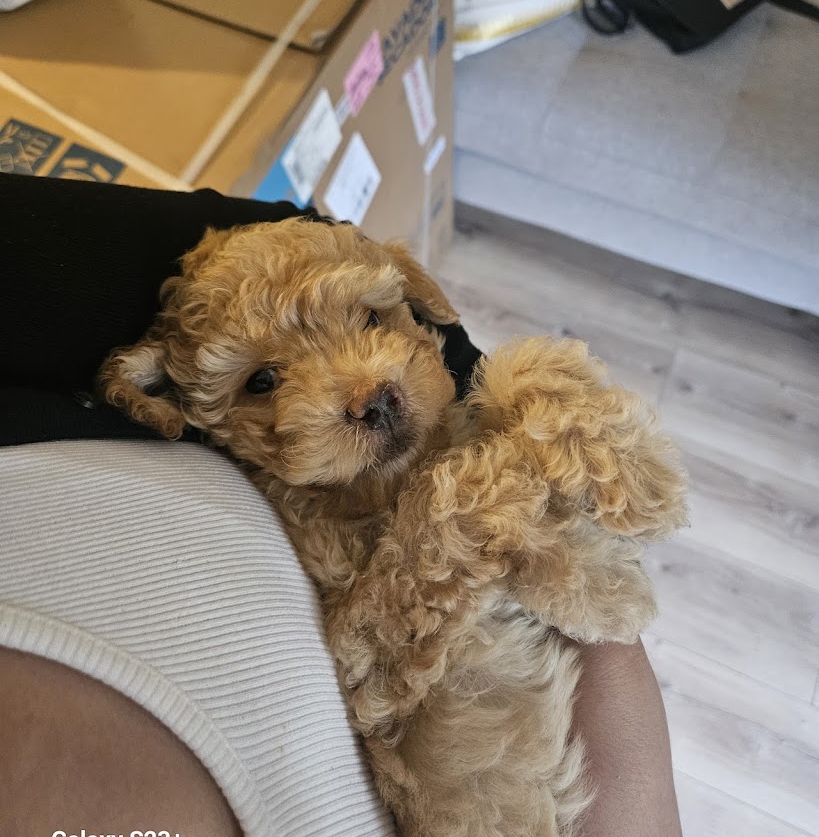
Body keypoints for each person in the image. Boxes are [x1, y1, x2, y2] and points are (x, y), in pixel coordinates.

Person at [0, 172, 682, 837]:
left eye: (370, 317)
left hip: (576, 740)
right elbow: (381, 665)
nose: (365, 389)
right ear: (168, 404)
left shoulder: (478, 417)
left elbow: (621, 561)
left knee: (529, 374)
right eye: (264, 381)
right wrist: (493, 504)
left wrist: (554, 413)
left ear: (413, 296)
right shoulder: (314, 519)